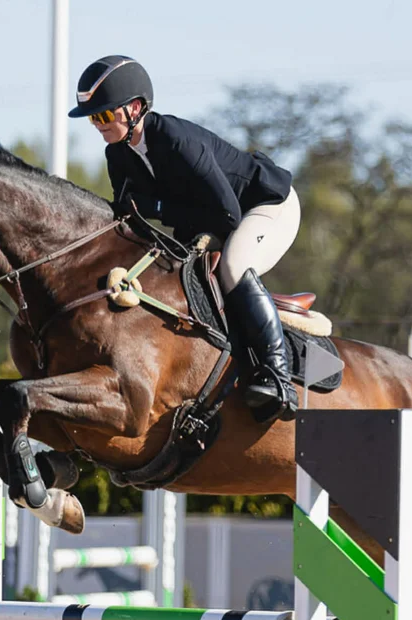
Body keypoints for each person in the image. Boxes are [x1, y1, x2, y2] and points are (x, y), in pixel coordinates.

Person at [69, 55, 301, 423]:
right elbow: (128, 220)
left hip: (266, 206)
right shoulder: (118, 155)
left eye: (102, 115)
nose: (98, 126)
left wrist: (157, 206)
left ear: (133, 108)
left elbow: (227, 216)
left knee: (233, 266)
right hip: (215, 221)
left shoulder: (176, 140)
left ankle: (279, 376)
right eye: (93, 119)